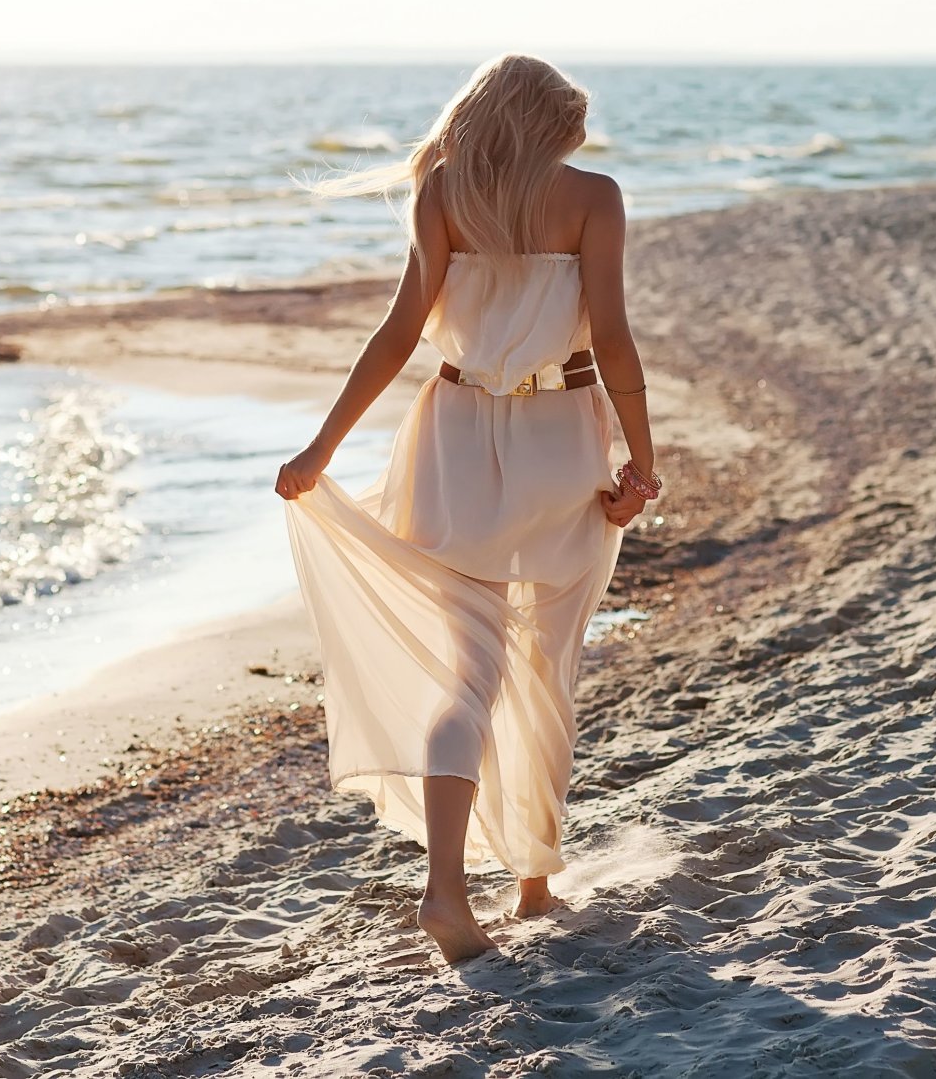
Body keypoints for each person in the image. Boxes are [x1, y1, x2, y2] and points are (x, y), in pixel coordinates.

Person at [274, 54, 659, 963]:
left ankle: (449, 888)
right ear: (550, 123)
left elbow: (400, 330)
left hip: (451, 435)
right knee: (546, 661)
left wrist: (322, 447)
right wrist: (644, 462)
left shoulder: (442, 192)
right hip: (560, 435)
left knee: (470, 673)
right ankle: (531, 882)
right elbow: (611, 338)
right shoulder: (594, 197)